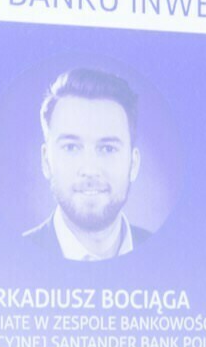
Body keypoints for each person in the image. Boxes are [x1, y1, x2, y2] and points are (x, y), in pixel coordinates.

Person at [24, 67, 151, 260]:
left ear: (133, 164)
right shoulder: (6, 258)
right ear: (46, 161)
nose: (90, 170)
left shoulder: (172, 259)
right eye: (71, 148)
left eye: (108, 149)